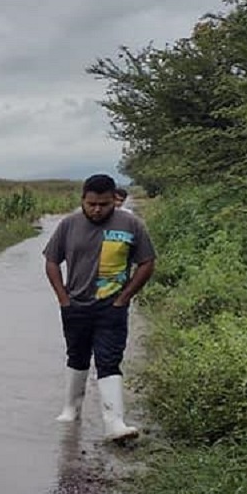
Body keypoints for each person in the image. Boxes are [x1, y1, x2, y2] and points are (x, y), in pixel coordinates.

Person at [43, 173, 156, 441]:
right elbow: (51, 261)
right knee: (77, 355)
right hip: (76, 304)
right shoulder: (69, 225)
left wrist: (124, 297)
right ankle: (71, 409)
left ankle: (114, 421)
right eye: (91, 204)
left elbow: (147, 263)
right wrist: (63, 298)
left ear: (113, 200)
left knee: (108, 360)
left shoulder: (131, 224)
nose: (96, 210)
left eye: (104, 204)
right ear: (83, 199)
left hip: (112, 306)